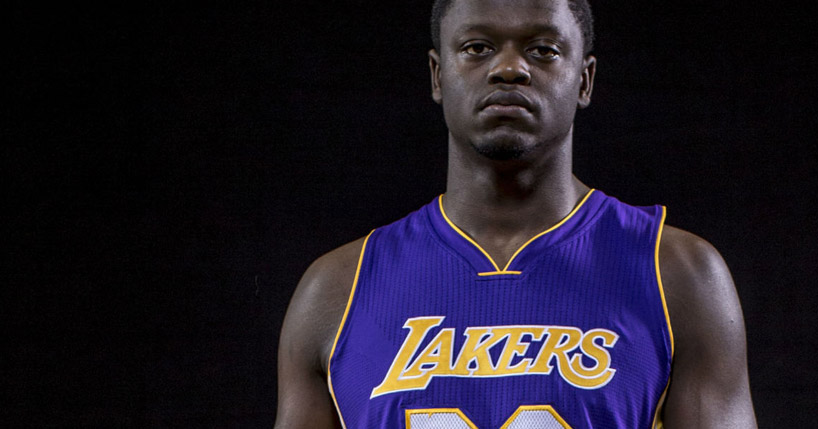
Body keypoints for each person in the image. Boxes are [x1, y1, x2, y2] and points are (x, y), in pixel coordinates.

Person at [275, 0, 757, 427]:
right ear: (438, 75)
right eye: (477, 48)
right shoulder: (338, 288)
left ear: (584, 79)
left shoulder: (677, 274)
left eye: (543, 50)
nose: (509, 68)